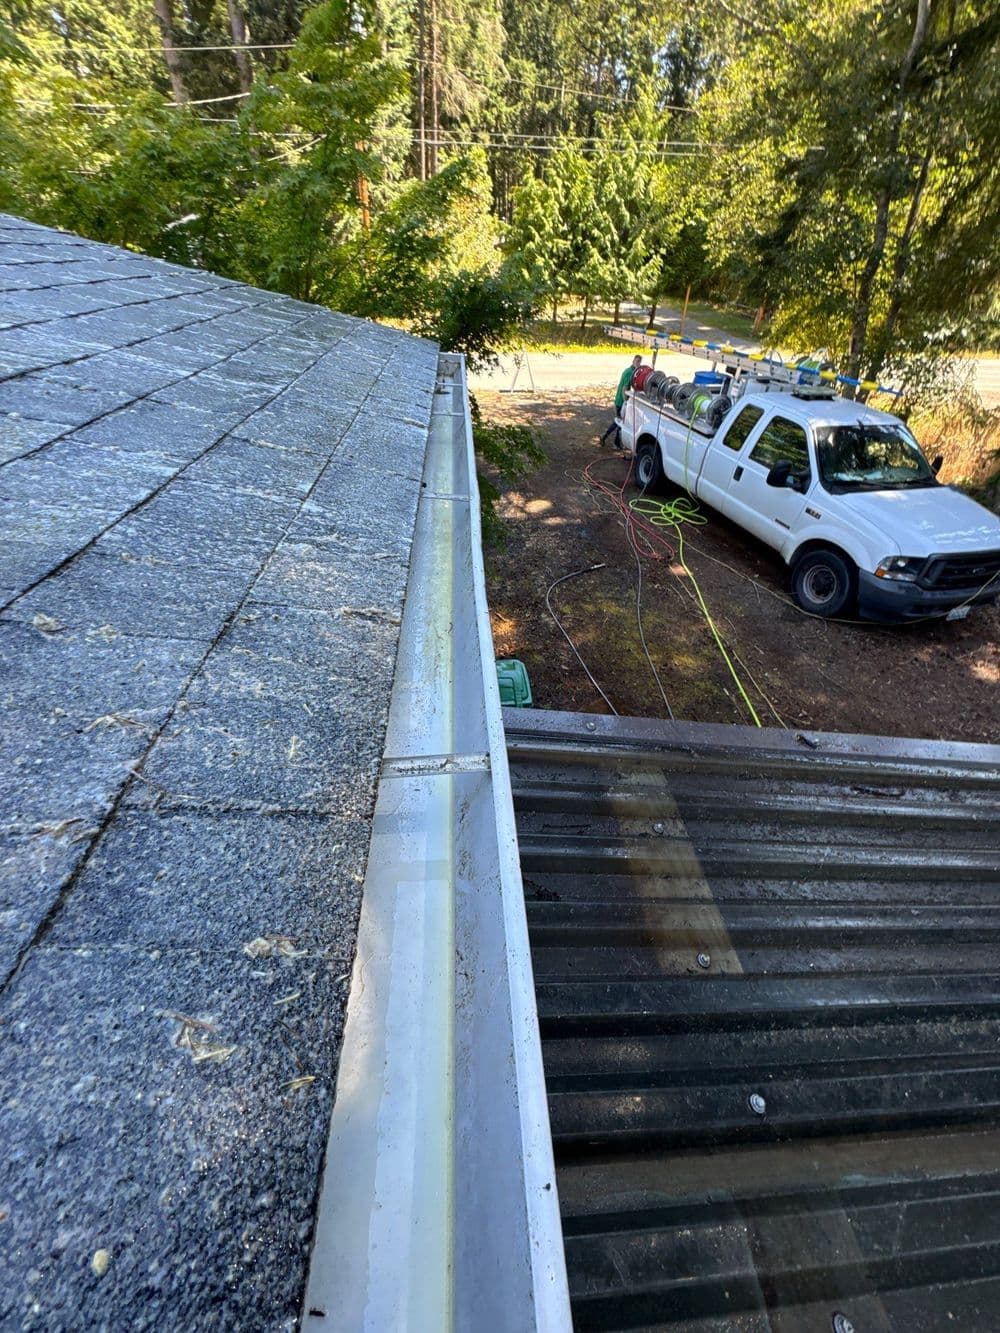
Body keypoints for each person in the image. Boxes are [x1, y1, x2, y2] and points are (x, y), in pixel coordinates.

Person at [600, 354, 643, 449]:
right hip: (620, 401)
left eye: (640, 362)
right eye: (637, 361)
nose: (638, 364)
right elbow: (624, 388)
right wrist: (625, 402)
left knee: (619, 421)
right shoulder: (630, 373)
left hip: (619, 399)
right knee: (620, 422)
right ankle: (612, 440)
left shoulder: (628, 370)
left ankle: (608, 438)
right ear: (633, 361)